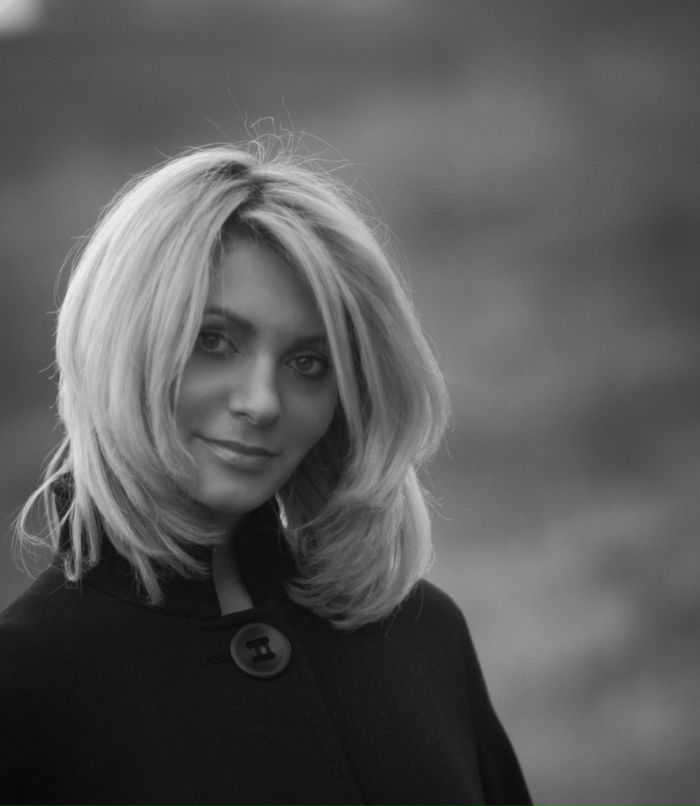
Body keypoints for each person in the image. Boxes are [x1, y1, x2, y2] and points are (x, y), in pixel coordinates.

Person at [0, 141, 532, 805]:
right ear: (120, 342)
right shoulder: (22, 688)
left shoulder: (424, 637)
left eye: (308, 363)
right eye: (212, 340)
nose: (262, 402)